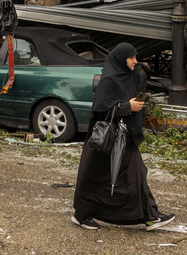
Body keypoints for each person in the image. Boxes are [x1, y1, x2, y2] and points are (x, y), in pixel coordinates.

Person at [72, 42, 175, 231]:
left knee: (136, 175)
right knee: (93, 178)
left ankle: (150, 215)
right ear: (121, 58)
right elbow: (100, 109)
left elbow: (129, 99)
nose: (135, 61)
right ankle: (81, 215)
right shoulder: (109, 80)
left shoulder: (129, 77)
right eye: (132, 58)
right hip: (106, 140)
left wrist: (137, 103)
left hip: (125, 137)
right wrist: (127, 107)